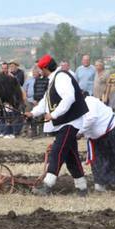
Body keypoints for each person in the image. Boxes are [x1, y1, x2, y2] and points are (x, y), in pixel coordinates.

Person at [25, 54, 88, 196]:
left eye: (40, 69)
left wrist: (54, 115)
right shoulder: (54, 79)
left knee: (56, 152)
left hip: (70, 122)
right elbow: (46, 101)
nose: (39, 72)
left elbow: (69, 97)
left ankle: (47, 186)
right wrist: (33, 113)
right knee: (71, 156)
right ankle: (82, 188)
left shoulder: (61, 77)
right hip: (65, 122)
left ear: (46, 68)